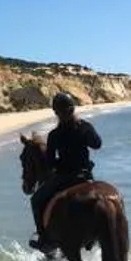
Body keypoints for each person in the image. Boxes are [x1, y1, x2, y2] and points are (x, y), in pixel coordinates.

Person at [29, 92, 102, 252]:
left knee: (35, 200)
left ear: (57, 112)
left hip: (65, 178)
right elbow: (97, 145)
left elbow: (49, 163)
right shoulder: (84, 126)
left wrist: (57, 165)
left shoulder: (54, 135)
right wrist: (86, 129)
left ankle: (43, 238)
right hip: (85, 177)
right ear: (73, 109)